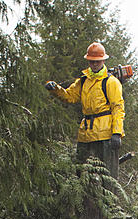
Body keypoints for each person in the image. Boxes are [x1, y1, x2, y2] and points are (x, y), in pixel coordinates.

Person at [45, 41, 125, 176]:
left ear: (103, 61)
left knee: (108, 177)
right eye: (92, 61)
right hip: (85, 135)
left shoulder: (111, 82)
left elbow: (118, 107)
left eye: (97, 61)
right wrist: (55, 89)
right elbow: (69, 96)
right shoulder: (83, 81)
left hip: (105, 136)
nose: (94, 64)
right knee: (82, 175)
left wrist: (117, 133)